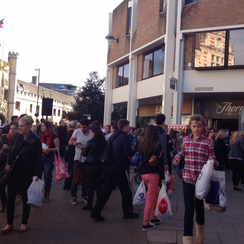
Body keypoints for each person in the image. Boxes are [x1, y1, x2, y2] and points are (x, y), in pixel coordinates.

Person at [173, 114, 216, 244]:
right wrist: (178, 157)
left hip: (201, 181)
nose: (196, 129)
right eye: (194, 126)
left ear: (203, 127)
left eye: (199, 126)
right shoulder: (185, 140)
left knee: (199, 209)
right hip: (187, 178)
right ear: (190, 127)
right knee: (188, 210)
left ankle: (200, 236)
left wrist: (212, 161)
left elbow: (213, 157)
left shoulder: (208, 142)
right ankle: (187, 240)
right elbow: (182, 152)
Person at [90, 119, 139, 221]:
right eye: (128, 126)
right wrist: (132, 150)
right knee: (126, 191)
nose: (130, 128)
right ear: (124, 126)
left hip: (109, 167)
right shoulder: (124, 137)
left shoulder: (112, 136)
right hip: (120, 167)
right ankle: (127, 211)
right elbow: (127, 152)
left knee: (106, 191)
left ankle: (96, 211)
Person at [1, 115, 42, 233]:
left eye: (22, 126)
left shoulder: (35, 140)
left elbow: (38, 159)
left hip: (27, 173)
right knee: (10, 197)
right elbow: (10, 153)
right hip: (14, 172)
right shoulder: (16, 136)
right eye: (18, 126)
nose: (19, 128)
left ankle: (24, 222)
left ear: (29, 126)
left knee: (25, 198)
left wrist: (36, 174)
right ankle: (9, 223)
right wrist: (8, 164)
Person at [139, 125, 165, 231]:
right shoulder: (157, 146)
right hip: (153, 174)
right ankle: (146, 222)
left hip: (144, 173)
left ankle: (154, 217)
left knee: (155, 195)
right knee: (150, 198)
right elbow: (160, 164)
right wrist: (162, 178)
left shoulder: (142, 145)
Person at [81, 125, 107, 210]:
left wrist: (82, 149)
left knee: (90, 186)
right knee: (99, 185)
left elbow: (85, 153)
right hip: (100, 165)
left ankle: (89, 204)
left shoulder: (90, 142)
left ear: (94, 133)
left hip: (90, 165)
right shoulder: (104, 142)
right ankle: (98, 204)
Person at [69, 118, 92, 205]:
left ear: (88, 127)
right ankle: (73, 196)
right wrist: (73, 143)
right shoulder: (77, 132)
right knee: (76, 178)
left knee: (86, 179)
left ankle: (84, 196)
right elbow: (70, 141)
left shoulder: (91, 134)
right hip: (78, 159)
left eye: (85, 127)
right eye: (81, 127)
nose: (82, 129)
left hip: (88, 160)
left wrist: (85, 148)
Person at [39, 120, 60, 202]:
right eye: (41, 126)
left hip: (49, 158)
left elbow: (57, 149)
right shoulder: (40, 135)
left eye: (43, 126)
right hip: (40, 158)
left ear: (48, 127)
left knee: (47, 177)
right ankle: (39, 194)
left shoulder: (54, 136)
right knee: (38, 176)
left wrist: (50, 149)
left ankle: (46, 194)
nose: (42, 128)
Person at [0, 123, 18, 212]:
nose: (12, 130)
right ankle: (3, 202)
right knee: (1, 186)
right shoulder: (4, 138)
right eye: (11, 128)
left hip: (14, 166)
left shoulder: (19, 140)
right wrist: (3, 145)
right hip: (3, 165)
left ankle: (10, 206)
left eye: (14, 129)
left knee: (11, 189)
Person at [63, 121, 77, 190]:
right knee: (71, 169)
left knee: (69, 168)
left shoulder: (67, 133)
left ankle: (66, 183)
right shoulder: (74, 133)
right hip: (73, 151)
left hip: (68, 151)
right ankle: (68, 184)